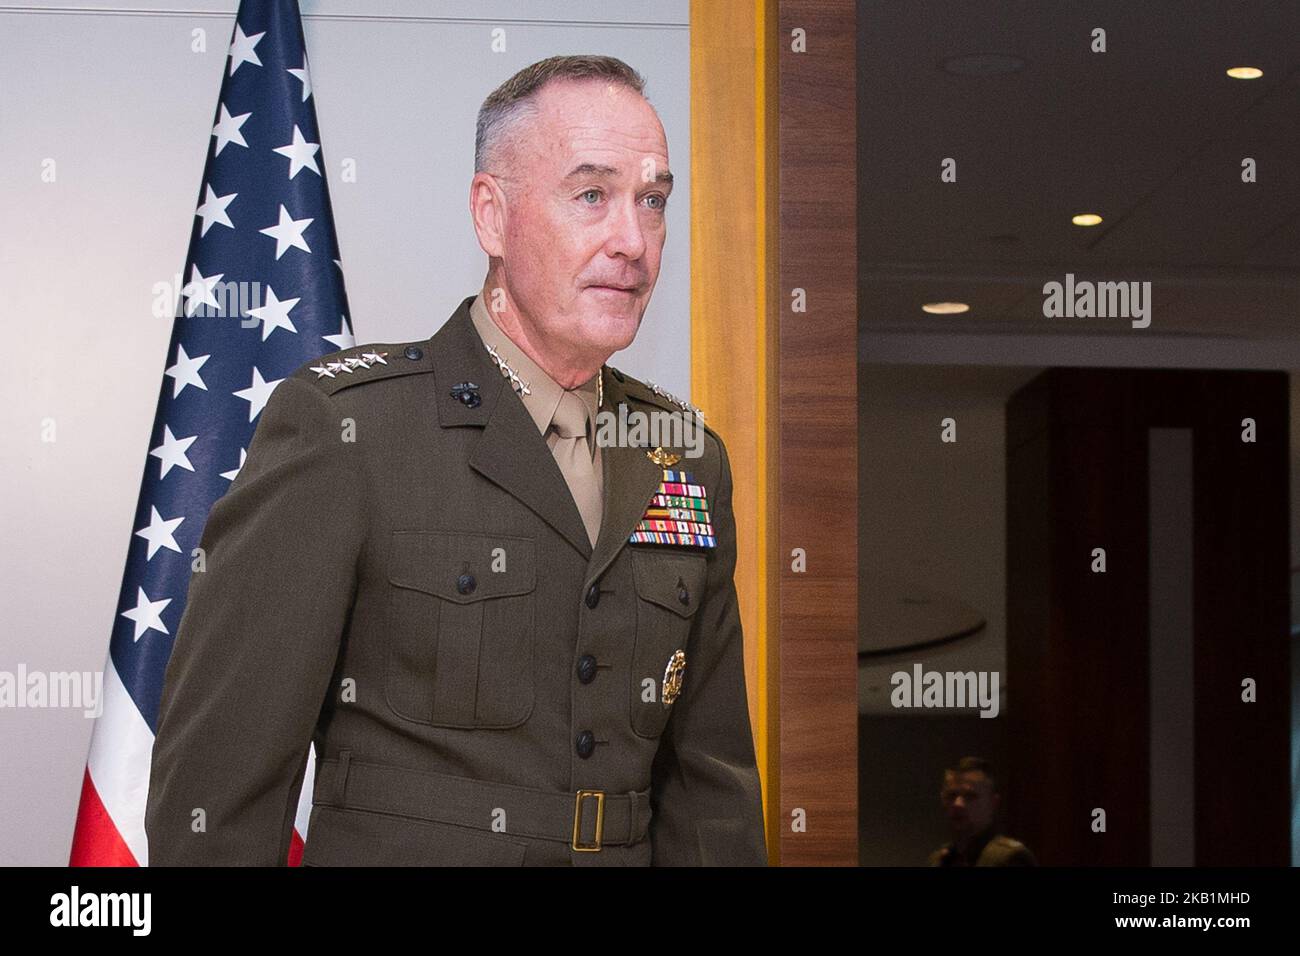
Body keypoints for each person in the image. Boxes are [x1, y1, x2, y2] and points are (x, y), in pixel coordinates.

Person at [144, 54, 768, 866]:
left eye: (652, 202)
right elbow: (216, 795)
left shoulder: (682, 456)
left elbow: (711, 794)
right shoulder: (346, 432)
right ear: (491, 216)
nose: (633, 240)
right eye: (592, 195)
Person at [928, 757, 1036, 866]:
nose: (957, 804)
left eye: (970, 796)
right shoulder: (939, 860)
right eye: (951, 795)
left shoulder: (1009, 859)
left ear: (992, 803)